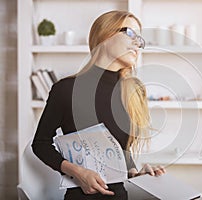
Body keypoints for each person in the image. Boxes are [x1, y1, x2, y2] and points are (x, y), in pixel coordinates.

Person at [32, 10, 166, 200]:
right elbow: (41, 144)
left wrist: (137, 173)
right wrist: (77, 172)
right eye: (130, 34)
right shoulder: (65, 90)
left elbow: (121, 155)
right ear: (105, 34)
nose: (138, 43)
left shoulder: (132, 93)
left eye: (140, 39)